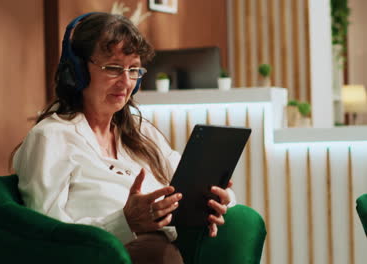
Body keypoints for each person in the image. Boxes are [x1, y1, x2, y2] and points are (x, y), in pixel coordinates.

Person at [12, 12, 235, 264]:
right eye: (114, 68)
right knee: (159, 253)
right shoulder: (50, 138)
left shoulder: (141, 133)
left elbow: (184, 179)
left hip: (168, 248)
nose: (126, 82)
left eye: (134, 70)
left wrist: (214, 200)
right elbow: (46, 237)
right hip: (105, 258)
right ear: (77, 71)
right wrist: (124, 222)